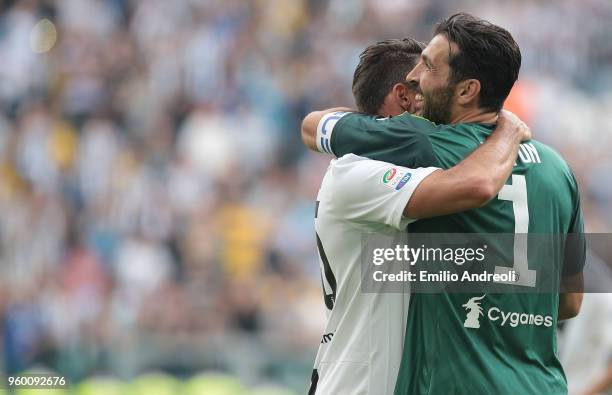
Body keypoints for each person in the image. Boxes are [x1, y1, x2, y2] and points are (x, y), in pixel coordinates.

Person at [302, 13, 585, 395]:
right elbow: (569, 302)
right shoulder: (557, 167)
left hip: (451, 382)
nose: (419, 76)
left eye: (429, 67)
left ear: (466, 90)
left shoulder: (428, 149)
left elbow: (477, 184)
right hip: (539, 383)